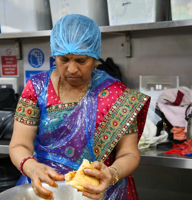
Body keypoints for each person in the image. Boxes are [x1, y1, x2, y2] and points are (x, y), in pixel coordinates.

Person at [9, 14, 150, 200]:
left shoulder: (116, 94)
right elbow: (19, 145)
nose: (72, 69)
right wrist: (32, 168)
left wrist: (112, 173)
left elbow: (129, 153)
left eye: (81, 61)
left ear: (95, 58)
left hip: (102, 194)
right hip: (46, 191)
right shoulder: (37, 88)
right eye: (63, 60)